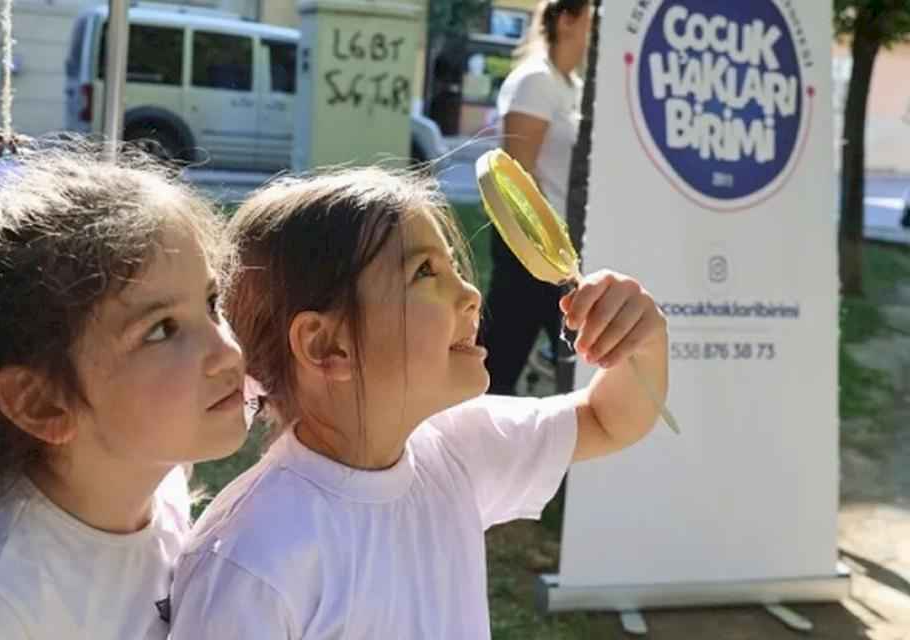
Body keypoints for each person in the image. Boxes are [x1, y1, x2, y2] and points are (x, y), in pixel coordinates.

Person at [168, 167, 669, 639]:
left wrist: (643, 344)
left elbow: (607, 419)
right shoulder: (250, 561)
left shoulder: (456, 450)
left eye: (453, 264)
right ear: (327, 346)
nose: (470, 293)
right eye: (426, 271)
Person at [0, 139, 247, 639]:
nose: (227, 352)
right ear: (42, 403)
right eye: (161, 330)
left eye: (212, 303)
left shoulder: (161, 485)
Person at [480, 0, 593, 395]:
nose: (597, 29)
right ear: (566, 20)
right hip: (532, 251)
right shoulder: (535, 81)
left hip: (563, 252)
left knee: (576, 367)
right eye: (592, 18)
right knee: (499, 367)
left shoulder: (573, 87)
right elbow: (519, 176)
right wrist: (549, 249)